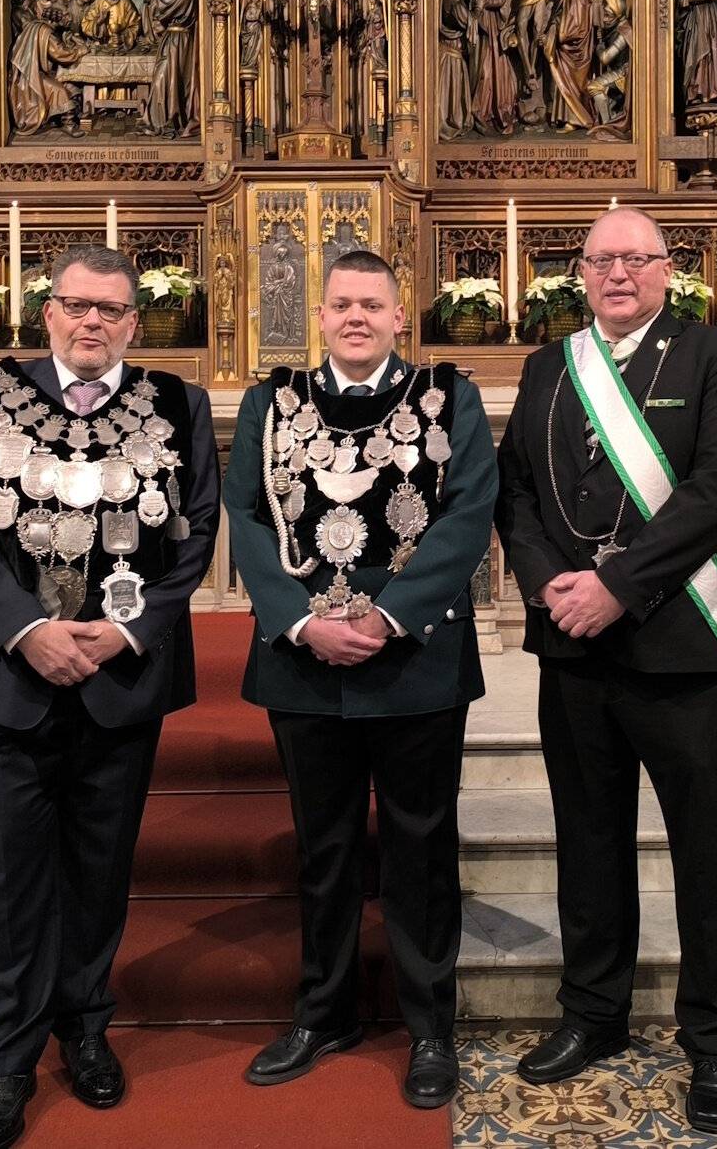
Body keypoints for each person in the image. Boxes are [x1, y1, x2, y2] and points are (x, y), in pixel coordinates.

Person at [0, 243, 220, 1149]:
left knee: (99, 868)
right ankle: (8, 1061)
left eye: (111, 311)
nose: (92, 323)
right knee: (6, 878)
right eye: (76, 306)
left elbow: (197, 529)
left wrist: (127, 631)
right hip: (6, 677)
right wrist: (28, 630)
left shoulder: (179, 403)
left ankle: (86, 1028)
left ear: (135, 321)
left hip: (118, 677)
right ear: (47, 311)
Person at [495, 207, 717, 1136]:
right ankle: (594, 1013)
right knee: (588, 840)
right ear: (579, 273)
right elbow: (518, 494)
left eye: (637, 258)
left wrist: (616, 586)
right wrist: (548, 587)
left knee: (706, 850)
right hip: (574, 646)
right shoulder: (548, 366)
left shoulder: (715, 358)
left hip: (681, 648)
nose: (618, 273)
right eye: (601, 259)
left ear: (669, 270)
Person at [223, 249, 499, 1111]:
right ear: (320, 314)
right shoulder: (272, 404)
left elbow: (469, 512)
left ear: (396, 311)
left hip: (417, 659)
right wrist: (303, 620)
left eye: (370, 304)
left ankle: (429, 1027)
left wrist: (387, 616)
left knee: (421, 848)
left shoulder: (448, 396)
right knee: (325, 848)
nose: (355, 317)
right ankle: (324, 1012)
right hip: (303, 661)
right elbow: (243, 512)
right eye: (341, 303)